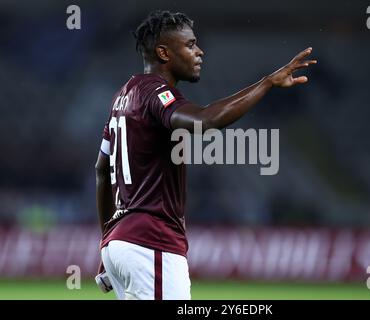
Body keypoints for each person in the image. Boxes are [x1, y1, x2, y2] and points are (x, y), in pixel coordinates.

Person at [95, 10, 316, 300]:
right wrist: (267, 84)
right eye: (190, 45)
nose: (199, 52)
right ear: (164, 53)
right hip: (151, 244)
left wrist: (107, 239)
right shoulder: (156, 93)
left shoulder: (123, 95)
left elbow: (101, 169)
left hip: (122, 244)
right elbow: (206, 120)